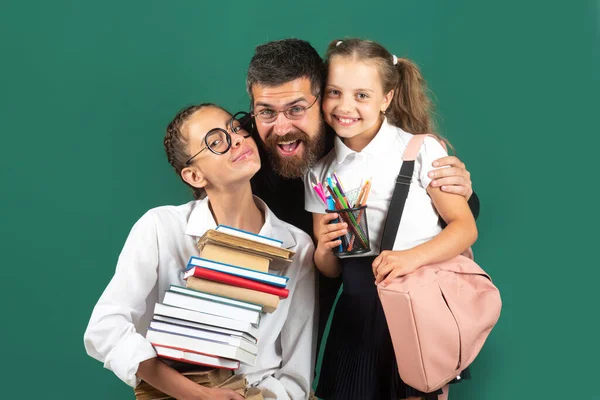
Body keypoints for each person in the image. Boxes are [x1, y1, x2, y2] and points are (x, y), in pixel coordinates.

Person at [246, 38, 479, 360]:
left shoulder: (399, 144)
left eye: (297, 109)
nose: (283, 126)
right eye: (267, 112)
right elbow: (328, 264)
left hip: (405, 299)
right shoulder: (276, 159)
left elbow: (458, 221)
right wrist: (325, 248)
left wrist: (462, 190)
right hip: (331, 304)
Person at [83, 104, 316, 400]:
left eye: (235, 128)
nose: (237, 140)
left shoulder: (297, 247)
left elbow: (297, 375)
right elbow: (105, 329)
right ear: (194, 176)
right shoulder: (160, 228)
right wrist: (196, 395)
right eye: (216, 142)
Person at [304, 38, 478, 400]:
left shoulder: (419, 150)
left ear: (387, 99)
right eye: (334, 92)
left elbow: (465, 228)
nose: (345, 106)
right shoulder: (319, 173)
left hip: (415, 307)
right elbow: (331, 268)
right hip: (354, 314)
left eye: (362, 95)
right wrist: (323, 251)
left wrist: (408, 258)